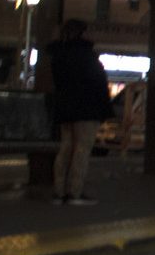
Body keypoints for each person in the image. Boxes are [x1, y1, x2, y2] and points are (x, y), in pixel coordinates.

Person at [45, 19, 113, 205]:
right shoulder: (86, 55)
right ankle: (74, 192)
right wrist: (104, 108)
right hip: (86, 109)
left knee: (66, 148)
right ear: (81, 33)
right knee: (82, 149)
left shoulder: (59, 54)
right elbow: (97, 84)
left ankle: (59, 192)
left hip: (65, 107)